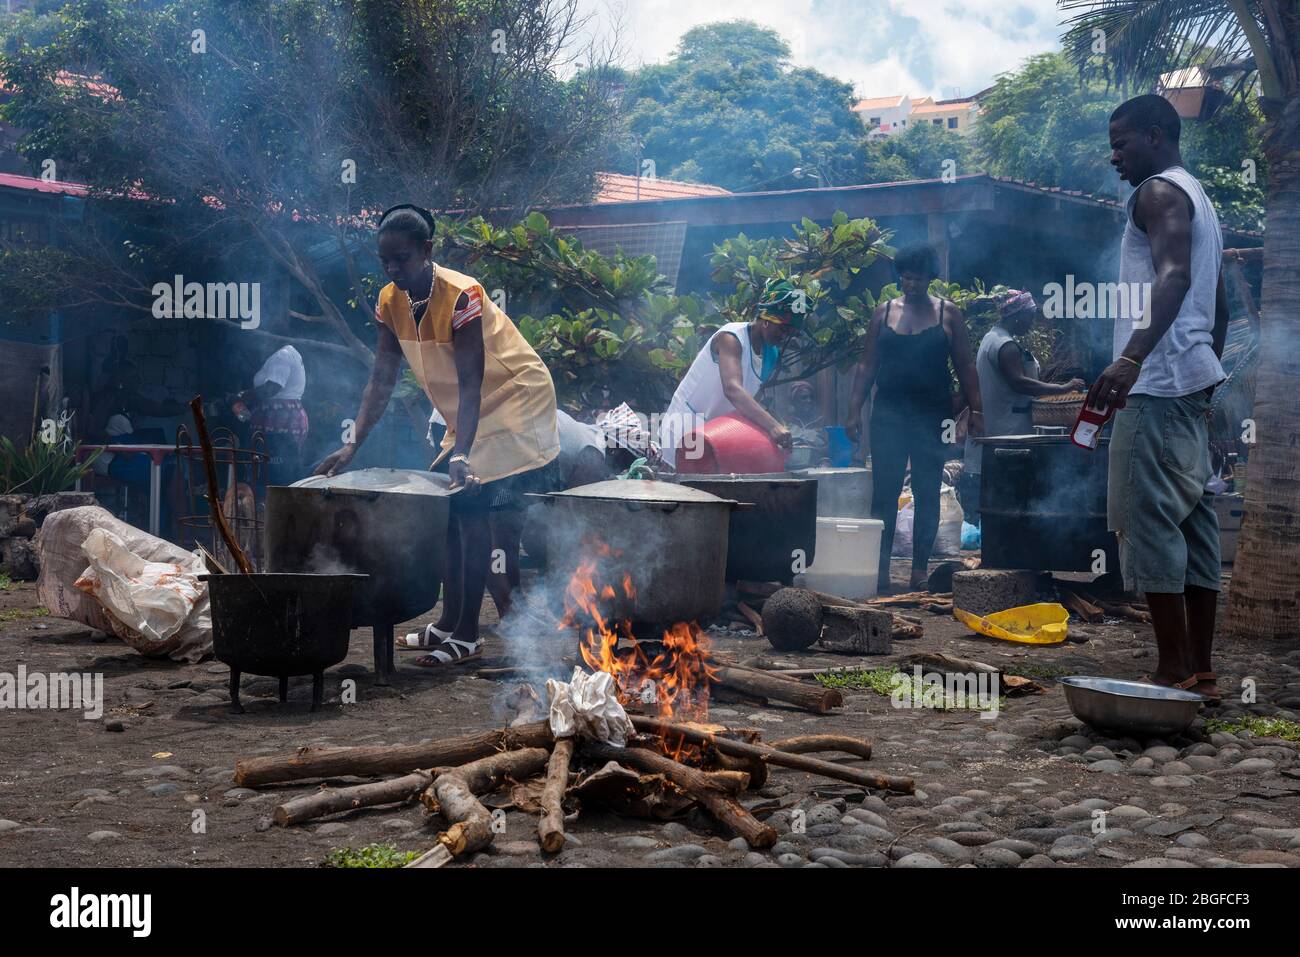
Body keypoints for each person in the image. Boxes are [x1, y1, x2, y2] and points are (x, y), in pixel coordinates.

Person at [316, 204, 560, 667]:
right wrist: (353, 444)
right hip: (469, 412)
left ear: (427, 251)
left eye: (402, 259)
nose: (392, 268)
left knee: (467, 506)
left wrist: (462, 454)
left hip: (513, 397)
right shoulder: (390, 300)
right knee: (444, 510)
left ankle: (467, 636)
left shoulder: (462, 294)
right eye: (384, 260)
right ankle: (448, 623)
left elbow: (472, 381)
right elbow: (382, 378)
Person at [1090, 94, 1229, 702]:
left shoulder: (1157, 193)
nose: (1114, 155)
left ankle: (1172, 670)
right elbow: (1215, 299)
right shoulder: (1199, 196)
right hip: (1189, 382)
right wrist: (1207, 371)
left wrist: (1131, 356)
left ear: (1155, 135)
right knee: (1195, 525)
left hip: (1157, 386)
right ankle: (1199, 669)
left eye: (1121, 142)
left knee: (1147, 523)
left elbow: (1174, 276)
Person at [845, 245, 982, 593]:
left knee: (925, 491)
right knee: (885, 494)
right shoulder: (883, 313)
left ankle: (919, 569)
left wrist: (975, 409)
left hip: (932, 415)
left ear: (930, 278)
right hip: (888, 414)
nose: (911, 284)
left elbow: (966, 367)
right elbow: (866, 366)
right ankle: (880, 571)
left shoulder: (948, 315)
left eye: (918, 278)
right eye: (906, 277)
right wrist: (853, 411)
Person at [959, 290, 1086, 522]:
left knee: (996, 496)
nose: (1032, 322)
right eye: (1030, 315)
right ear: (1017, 316)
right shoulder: (1005, 346)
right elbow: (1019, 383)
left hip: (1001, 428)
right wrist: (1063, 388)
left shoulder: (991, 338)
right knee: (1007, 495)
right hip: (1007, 432)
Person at [658, 278, 805, 470]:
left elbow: (750, 402)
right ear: (767, 319)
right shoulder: (731, 338)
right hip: (683, 430)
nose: (785, 336)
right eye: (783, 328)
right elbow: (733, 389)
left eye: (791, 332)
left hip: (716, 436)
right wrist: (773, 426)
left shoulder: (771, 354)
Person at [232, 343, 309, 487]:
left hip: (280, 419)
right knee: (280, 468)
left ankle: (274, 502)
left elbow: (271, 389)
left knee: (275, 470)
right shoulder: (288, 354)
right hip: (287, 416)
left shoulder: (282, 355)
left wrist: (241, 396)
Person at [786, 380, 830, 470]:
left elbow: (829, 453)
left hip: (816, 470)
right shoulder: (785, 423)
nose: (809, 400)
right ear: (793, 400)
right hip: (790, 470)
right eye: (804, 397)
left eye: (811, 397)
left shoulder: (821, 423)